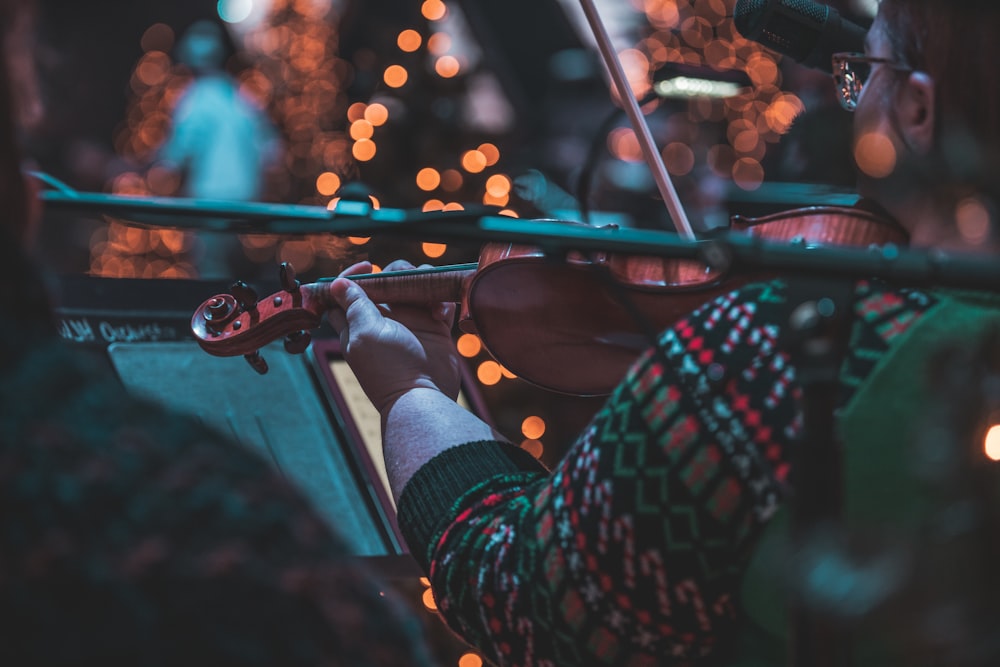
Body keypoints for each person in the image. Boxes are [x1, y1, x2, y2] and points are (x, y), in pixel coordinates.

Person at [326, 1, 1000, 665]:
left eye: (865, 72)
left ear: (917, 110)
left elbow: (519, 596)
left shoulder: (787, 347)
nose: (851, 104)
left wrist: (410, 390)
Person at [0, 2, 439, 665]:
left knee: (207, 293)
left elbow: (168, 160)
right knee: (241, 284)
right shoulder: (240, 98)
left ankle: (219, 351)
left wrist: (129, 171)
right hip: (242, 214)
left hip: (210, 217)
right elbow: (269, 155)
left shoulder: (198, 99)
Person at [155, 19, 281, 279]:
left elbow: (176, 155)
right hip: (245, 200)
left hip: (209, 200)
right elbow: (271, 149)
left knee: (211, 271)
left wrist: (139, 166)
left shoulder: (195, 98)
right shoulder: (240, 96)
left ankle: (217, 319)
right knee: (237, 270)